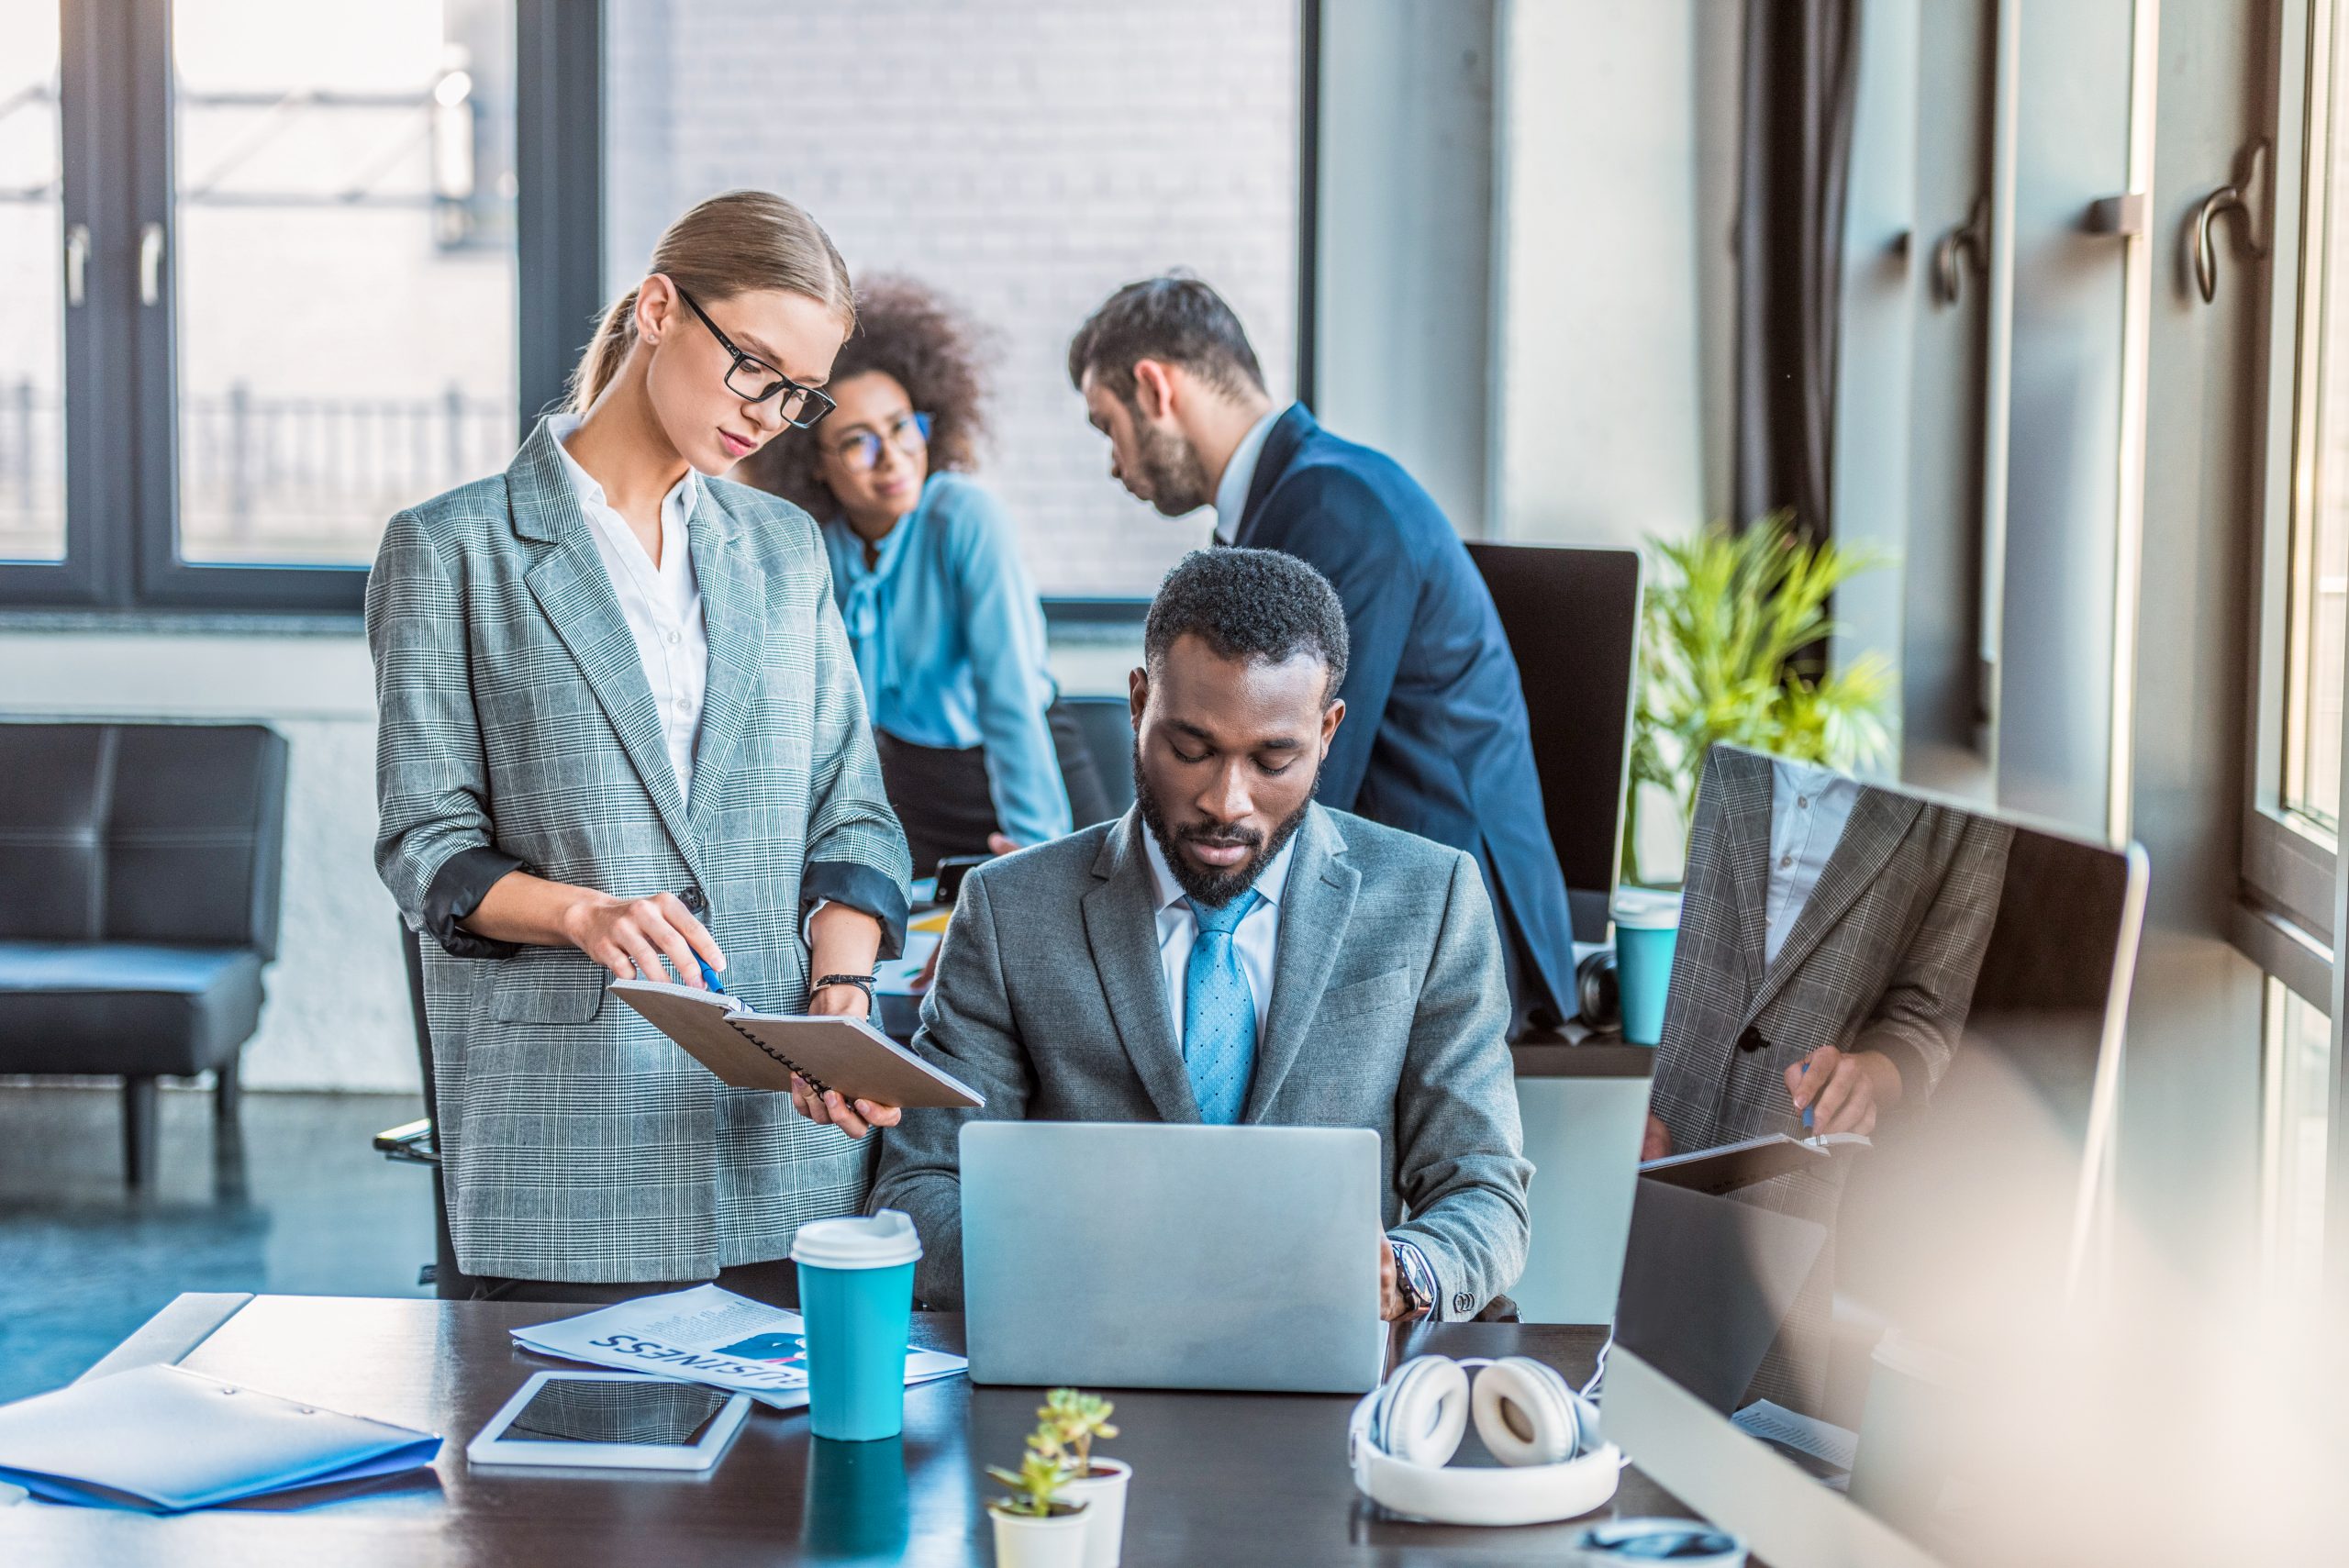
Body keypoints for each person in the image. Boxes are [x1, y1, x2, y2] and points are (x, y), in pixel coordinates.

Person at [367, 190, 912, 1303]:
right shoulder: (451, 549)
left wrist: (845, 993)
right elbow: (425, 844)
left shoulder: (784, 550)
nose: (768, 413)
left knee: (789, 1475)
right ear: (660, 308)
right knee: (561, 1476)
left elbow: (851, 808)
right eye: (753, 365)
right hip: (564, 1148)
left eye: (796, 392)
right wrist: (581, 910)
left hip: (782, 1143)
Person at [863, 548, 1532, 1321]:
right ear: (1138, 704)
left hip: (1327, 1375)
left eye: (1274, 759)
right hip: (1085, 1371)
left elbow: (1482, 1188)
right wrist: (1096, 1271)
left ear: (1327, 731)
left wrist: (1403, 1271)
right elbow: (919, 1191)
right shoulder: (1011, 910)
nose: (1227, 801)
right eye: (1191, 750)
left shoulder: (1431, 898)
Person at [1065, 275, 1576, 1034]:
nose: (1112, 463)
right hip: (1382, 910)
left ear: (1155, 388)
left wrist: (1078, 902)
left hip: (1445, 939)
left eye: (1107, 425)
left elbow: (1304, 776)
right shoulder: (1300, 498)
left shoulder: (1333, 505)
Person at [1642, 742, 2014, 1408]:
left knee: (1756, 1476)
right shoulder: (1720, 683)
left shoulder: (1966, 798)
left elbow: (1926, 1017)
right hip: (1639, 1149)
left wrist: (1870, 1076)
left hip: (1789, 1204)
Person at [744, 277, 1109, 873]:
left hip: (1022, 760)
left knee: (1078, 920)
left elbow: (1009, 699)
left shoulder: (965, 517)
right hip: (914, 780)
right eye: (858, 442)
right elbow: (826, 721)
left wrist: (1036, 848)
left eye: (901, 425)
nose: (892, 456)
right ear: (814, 463)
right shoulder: (814, 546)